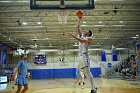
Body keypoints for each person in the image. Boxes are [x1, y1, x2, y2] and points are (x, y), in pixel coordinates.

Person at [68, 17, 97, 93]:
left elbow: (81, 41)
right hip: (80, 56)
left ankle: (93, 88)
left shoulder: (89, 39)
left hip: (85, 56)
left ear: (89, 34)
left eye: (87, 32)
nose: (85, 32)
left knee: (88, 72)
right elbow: (78, 27)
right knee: (85, 73)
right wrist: (79, 19)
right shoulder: (82, 36)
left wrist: (73, 36)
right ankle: (94, 86)